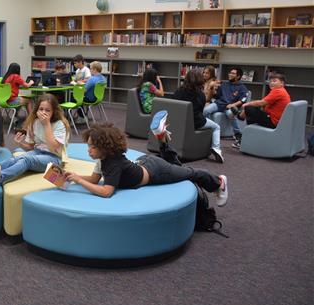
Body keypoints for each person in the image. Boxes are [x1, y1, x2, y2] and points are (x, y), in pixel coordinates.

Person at [63, 123, 228, 207]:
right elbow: (93, 179)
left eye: (93, 147)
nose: (89, 151)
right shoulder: (103, 158)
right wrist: (73, 177)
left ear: (105, 148)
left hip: (156, 172)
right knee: (175, 166)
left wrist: (79, 181)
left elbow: (106, 192)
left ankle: (219, 182)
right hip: (145, 163)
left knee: (188, 173)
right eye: (88, 146)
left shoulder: (112, 163)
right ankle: (162, 139)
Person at [0, 93, 70, 188]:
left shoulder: (59, 124)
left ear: (53, 112)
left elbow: (53, 147)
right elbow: (32, 147)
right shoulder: (34, 123)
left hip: (54, 158)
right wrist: (20, 143)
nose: (43, 112)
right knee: (15, 159)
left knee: (26, 159)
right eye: (41, 109)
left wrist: (46, 124)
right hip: (38, 152)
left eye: (48, 110)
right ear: (37, 110)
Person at [173, 69, 223, 163]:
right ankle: (216, 148)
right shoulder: (201, 95)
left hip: (179, 121)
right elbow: (201, 111)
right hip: (196, 122)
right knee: (216, 127)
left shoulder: (178, 91)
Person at [232, 72, 291, 149]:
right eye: (270, 81)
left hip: (273, 121)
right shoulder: (281, 91)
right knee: (253, 110)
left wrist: (247, 104)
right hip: (275, 119)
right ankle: (244, 136)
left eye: (274, 81)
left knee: (249, 108)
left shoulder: (278, 91)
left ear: (282, 83)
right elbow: (263, 102)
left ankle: (241, 118)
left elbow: (262, 102)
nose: (271, 83)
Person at [203, 67, 248, 140]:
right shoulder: (224, 84)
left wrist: (233, 105)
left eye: (233, 73)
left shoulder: (242, 87)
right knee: (205, 111)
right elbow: (217, 96)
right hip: (218, 104)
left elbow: (243, 100)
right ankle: (209, 129)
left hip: (228, 106)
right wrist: (213, 89)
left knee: (230, 114)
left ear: (238, 76)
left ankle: (237, 133)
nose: (230, 74)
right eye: (230, 73)